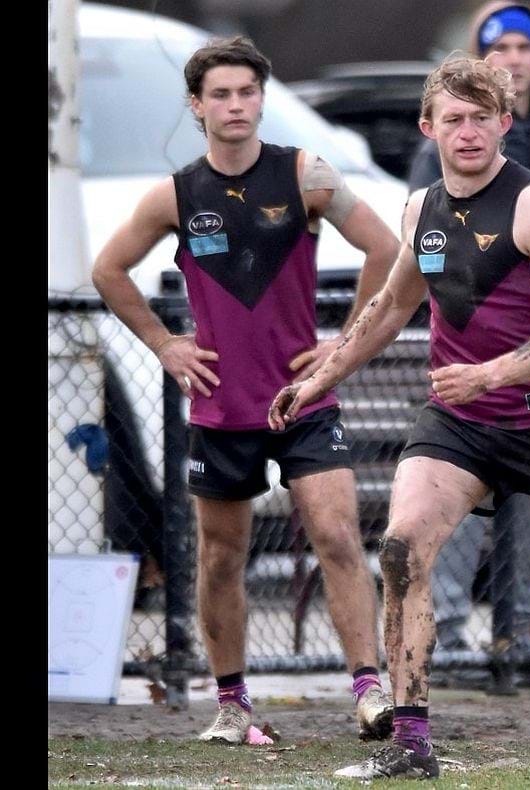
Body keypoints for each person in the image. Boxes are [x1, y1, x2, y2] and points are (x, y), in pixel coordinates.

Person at [267, 55, 530, 780]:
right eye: (454, 118)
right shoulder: (419, 208)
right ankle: (411, 743)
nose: (469, 131)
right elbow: (392, 305)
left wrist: (490, 373)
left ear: (505, 123)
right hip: (456, 424)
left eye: (483, 117)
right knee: (402, 549)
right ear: (429, 127)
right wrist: (319, 378)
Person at [90, 36, 399, 744]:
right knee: (222, 556)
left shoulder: (305, 174)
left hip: (304, 399)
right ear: (196, 106)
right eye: (221, 95)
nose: (236, 105)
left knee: (337, 534)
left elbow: (385, 249)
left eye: (247, 92)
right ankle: (232, 706)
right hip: (222, 406)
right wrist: (165, 344)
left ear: (262, 99)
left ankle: (368, 690)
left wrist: (344, 343)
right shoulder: (175, 194)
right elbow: (108, 270)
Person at [406, 1, 530, 693]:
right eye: (501, 49)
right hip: (466, 370)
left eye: (525, 47)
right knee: (449, 510)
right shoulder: (438, 154)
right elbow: (428, 256)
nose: (514, 59)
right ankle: (450, 637)